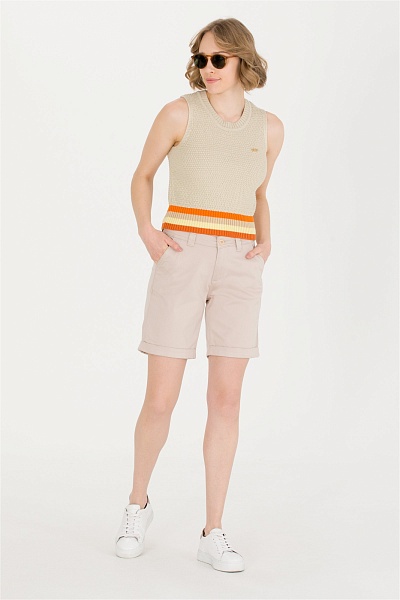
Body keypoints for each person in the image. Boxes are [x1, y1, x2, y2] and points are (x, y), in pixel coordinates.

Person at [115, 17, 284, 572]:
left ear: (242, 60)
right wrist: (149, 234)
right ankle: (137, 505)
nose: (208, 69)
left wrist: (265, 243)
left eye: (218, 59)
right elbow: (142, 176)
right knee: (160, 398)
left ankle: (213, 531)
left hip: (239, 261)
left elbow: (259, 192)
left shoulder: (270, 128)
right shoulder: (178, 113)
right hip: (182, 251)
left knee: (226, 400)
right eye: (201, 59)